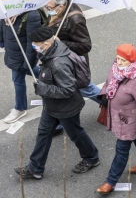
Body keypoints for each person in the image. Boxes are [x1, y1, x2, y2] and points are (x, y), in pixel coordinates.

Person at [14, 27, 100, 180]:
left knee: (76, 134)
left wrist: (43, 88)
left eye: (36, 44)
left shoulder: (59, 63)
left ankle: (92, 158)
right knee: (43, 133)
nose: (34, 46)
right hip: (51, 105)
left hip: (66, 108)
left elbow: (68, 90)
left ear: (46, 44)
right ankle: (36, 168)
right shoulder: (50, 51)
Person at [96, 44, 136, 194]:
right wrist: (104, 94)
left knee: (121, 150)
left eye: (123, 60)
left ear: (131, 61)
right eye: (118, 58)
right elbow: (109, 82)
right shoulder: (116, 68)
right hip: (119, 117)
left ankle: (110, 181)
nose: (119, 62)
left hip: (129, 122)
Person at [46, 0, 102, 105]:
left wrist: (60, 42)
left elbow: (85, 46)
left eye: (49, 8)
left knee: (84, 88)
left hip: (72, 62)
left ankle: (111, 103)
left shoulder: (75, 20)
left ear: (60, 6)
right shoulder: (58, 9)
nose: (47, 10)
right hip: (60, 59)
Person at [0, 10, 42, 124]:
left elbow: (33, 41)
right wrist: (2, 41)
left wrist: (29, 61)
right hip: (14, 51)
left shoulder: (32, 14)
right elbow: (2, 24)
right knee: (31, 71)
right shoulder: (7, 9)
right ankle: (50, 77)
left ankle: (20, 108)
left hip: (22, 54)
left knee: (17, 79)